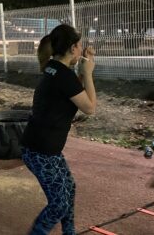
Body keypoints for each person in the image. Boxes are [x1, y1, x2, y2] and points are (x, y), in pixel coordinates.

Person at [21, 24, 96, 235]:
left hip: (42, 149)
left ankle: (69, 232)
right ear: (72, 48)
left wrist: (81, 73)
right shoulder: (63, 75)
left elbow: (71, 91)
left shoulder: (53, 68)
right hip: (41, 152)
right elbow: (89, 107)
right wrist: (88, 74)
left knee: (69, 189)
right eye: (79, 46)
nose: (81, 50)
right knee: (59, 204)